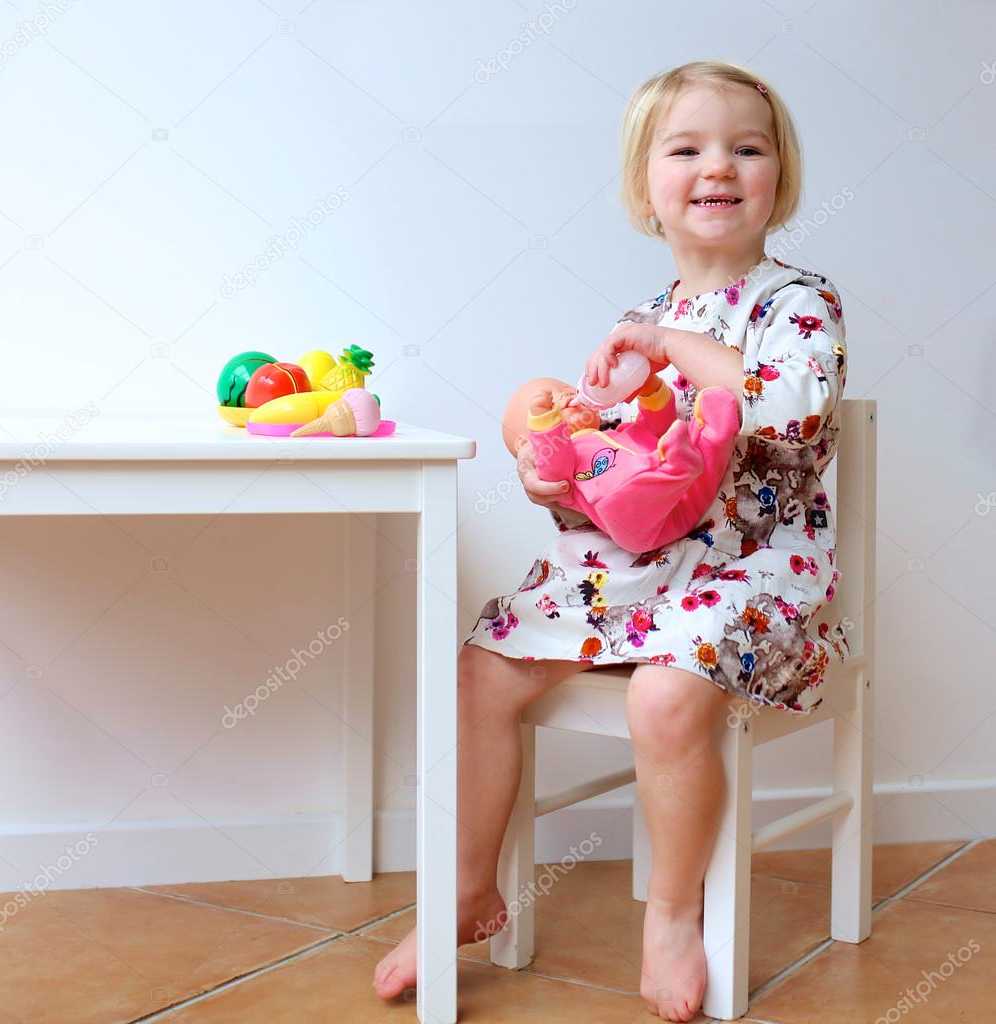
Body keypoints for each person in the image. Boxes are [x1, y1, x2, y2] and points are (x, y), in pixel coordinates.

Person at [373, 60, 850, 1023]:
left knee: (669, 701)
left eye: (746, 148)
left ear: (779, 181)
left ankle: (674, 913)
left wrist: (670, 349)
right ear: (647, 191)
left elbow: (790, 409)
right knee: (482, 668)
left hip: (756, 577)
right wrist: (557, 474)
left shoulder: (799, 305)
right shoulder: (638, 327)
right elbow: (621, 472)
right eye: (688, 149)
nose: (719, 165)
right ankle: (467, 885)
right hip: (637, 573)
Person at [503, 372, 740, 554]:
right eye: (549, 406)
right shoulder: (566, 461)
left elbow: (655, 430)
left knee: (693, 455)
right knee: (619, 500)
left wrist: (651, 393)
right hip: (639, 526)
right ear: (527, 442)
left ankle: (713, 433)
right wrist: (547, 427)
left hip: (686, 500)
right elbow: (553, 465)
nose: (565, 397)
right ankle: (669, 467)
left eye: (567, 390)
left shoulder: (619, 432)